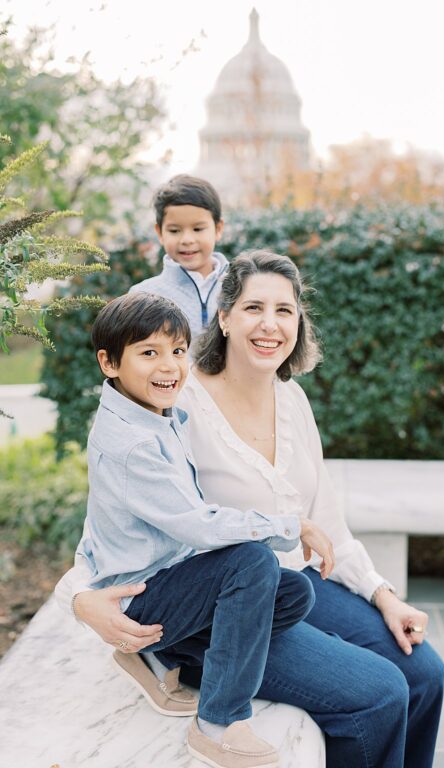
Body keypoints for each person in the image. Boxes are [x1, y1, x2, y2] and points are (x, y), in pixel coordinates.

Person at [57, 250, 444, 768]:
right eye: (253, 308)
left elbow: (325, 521)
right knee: (378, 694)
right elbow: (110, 516)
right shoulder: (173, 398)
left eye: (284, 310)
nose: (270, 324)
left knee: (424, 673)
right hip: (220, 608)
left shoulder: (293, 399)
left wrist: (383, 594)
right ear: (224, 318)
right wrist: (80, 599)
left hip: (295, 583)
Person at [78, 290, 337, 768]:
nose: (170, 366)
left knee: (292, 593)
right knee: (253, 561)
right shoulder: (133, 444)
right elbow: (198, 524)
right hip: (137, 598)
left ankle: (162, 655)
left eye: (178, 352)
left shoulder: (159, 415)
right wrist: (287, 525)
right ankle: (218, 723)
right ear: (109, 362)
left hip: (168, 583)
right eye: (149, 353)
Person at [130, 174, 230, 339]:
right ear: (159, 233)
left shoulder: (240, 286)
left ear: (218, 229)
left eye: (198, 229)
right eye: (174, 231)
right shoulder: (142, 296)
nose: (187, 240)